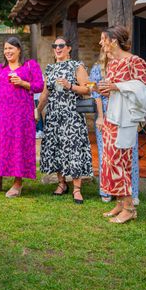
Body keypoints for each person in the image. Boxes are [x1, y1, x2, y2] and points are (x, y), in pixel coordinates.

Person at [97, 25, 146, 223]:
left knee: (121, 162)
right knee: (110, 162)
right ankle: (120, 203)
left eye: (103, 39)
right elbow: (114, 89)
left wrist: (117, 86)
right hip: (112, 117)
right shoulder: (112, 64)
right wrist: (107, 90)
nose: (101, 43)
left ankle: (129, 208)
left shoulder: (134, 61)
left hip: (125, 120)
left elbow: (145, 89)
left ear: (113, 40)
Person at [0, 37, 44, 197]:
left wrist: (24, 83)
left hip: (21, 115)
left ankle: (17, 183)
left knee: (18, 145)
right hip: (2, 114)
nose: (7, 51)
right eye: (5, 49)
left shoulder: (30, 66)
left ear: (19, 50)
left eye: (11, 48)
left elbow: (40, 86)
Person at [37, 37, 93, 204]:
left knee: (74, 150)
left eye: (61, 45)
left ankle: (77, 189)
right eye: (55, 46)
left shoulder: (77, 66)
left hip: (72, 116)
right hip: (54, 116)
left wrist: (70, 86)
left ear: (69, 48)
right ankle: (62, 183)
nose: (58, 48)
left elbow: (88, 89)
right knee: (57, 149)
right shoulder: (50, 69)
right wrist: (37, 111)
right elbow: (45, 94)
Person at [89, 49, 141, 205]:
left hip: (125, 114)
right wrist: (100, 116)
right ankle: (107, 191)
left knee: (129, 153)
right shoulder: (97, 68)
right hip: (106, 113)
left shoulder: (128, 66)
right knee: (106, 153)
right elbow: (95, 93)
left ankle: (133, 192)